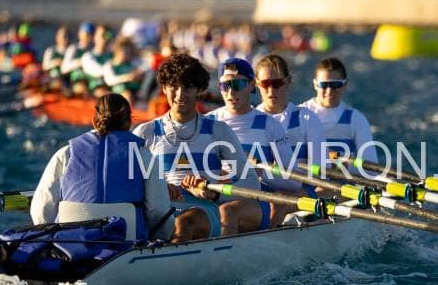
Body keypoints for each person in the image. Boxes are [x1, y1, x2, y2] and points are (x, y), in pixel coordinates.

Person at [133, 53, 264, 241]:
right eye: (174, 87)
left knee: (185, 224)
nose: (180, 95)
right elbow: (127, 180)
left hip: (204, 211)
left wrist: (214, 194)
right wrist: (158, 188)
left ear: (199, 90)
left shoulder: (218, 131)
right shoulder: (145, 132)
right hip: (161, 210)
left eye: (187, 87)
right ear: (164, 88)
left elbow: (252, 183)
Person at [30, 93, 175, 242]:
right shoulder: (145, 157)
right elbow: (158, 210)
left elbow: (41, 208)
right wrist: (158, 239)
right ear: (129, 123)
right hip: (128, 242)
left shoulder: (66, 154)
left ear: (94, 121)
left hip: (71, 242)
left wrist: (50, 240)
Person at [207, 57, 301, 228]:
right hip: (214, 195)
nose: (231, 92)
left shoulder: (270, 125)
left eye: (237, 84)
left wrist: (259, 171)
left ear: (251, 85)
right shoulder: (207, 122)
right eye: (225, 85)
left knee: (227, 212)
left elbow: (294, 181)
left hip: (255, 199)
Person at [301, 57, 378, 163]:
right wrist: (334, 157)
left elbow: (371, 164)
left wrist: (335, 159)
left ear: (345, 85)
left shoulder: (356, 119)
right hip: (306, 173)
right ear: (315, 85)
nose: (329, 90)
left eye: (335, 85)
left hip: (343, 173)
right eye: (324, 85)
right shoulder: (299, 115)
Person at [255, 53, 324, 165]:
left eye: (277, 83)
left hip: (301, 177)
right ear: (257, 83)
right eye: (265, 83)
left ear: (288, 81)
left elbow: (320, 167)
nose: (271, 90)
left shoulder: (307, 119)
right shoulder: (249, 121)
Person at [103, 36, 147, 104]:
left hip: (136, 90)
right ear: (117, 51)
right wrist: (128, 77)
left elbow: (144, 68)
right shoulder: (109, 65)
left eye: (128, 52)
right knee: (127, 96)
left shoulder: (131, 63)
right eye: (125, 52)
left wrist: (139, 75)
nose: (127, 54)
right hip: (120, 91)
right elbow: (109, 80)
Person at [79, 24, 113, 97]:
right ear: (95, 37)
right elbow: (99, 72)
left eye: (107, 36)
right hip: (94, 91)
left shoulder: (114, 55)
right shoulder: (87, 56)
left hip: (112, 88)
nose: (105, 39)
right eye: (102, 36)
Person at [61, 22, 95, 94]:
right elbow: (64, 68)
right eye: (87, 34)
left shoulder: (94, 49)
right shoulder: (74, 49)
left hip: (91, 79)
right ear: (80, 34)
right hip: (77, 80)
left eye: (91, 34)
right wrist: (81, 62)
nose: (89, 37)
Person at [42, 26, 70, 90]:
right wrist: (56, 62)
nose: (64, 38)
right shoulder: (51, 51)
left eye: (66, 36)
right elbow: (45, 66)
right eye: (62, 36)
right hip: (54, 78)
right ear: (57, 37)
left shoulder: (72, 51)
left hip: (68, 79)